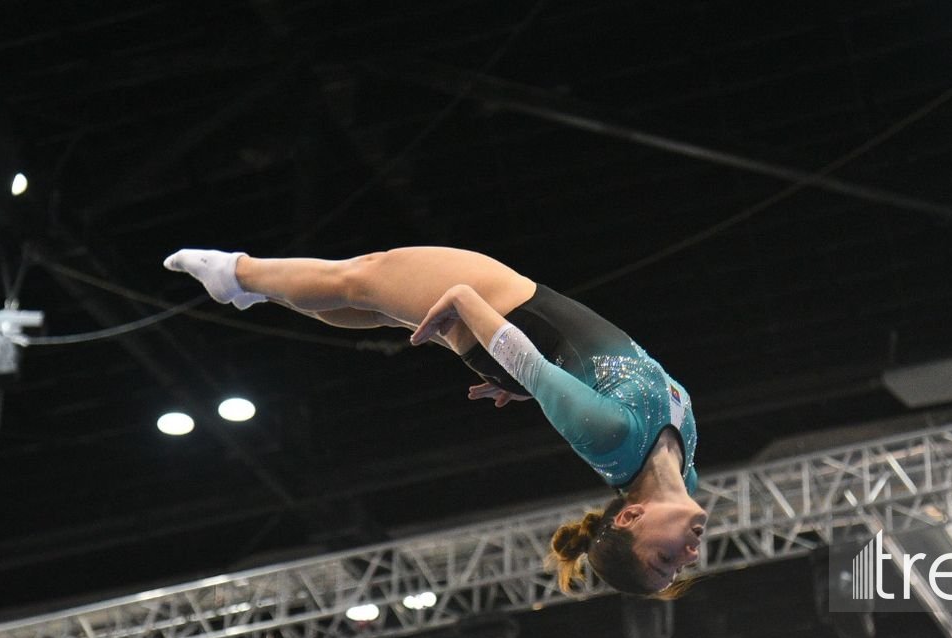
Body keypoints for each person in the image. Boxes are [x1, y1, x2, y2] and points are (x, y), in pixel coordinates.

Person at [163, 246, 704, 596]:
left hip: (506, 314)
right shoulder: (686, 471)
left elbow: (534, 368)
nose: (689, 554)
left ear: (630, 519)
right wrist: (544, 391)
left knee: (364, 277)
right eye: (678, 565)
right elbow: (566, 384)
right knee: (370, 303)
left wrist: (468, 303)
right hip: (519, 341)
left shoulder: (614, 439)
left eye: (664, 559)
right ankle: (259, 291)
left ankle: (238, 275)